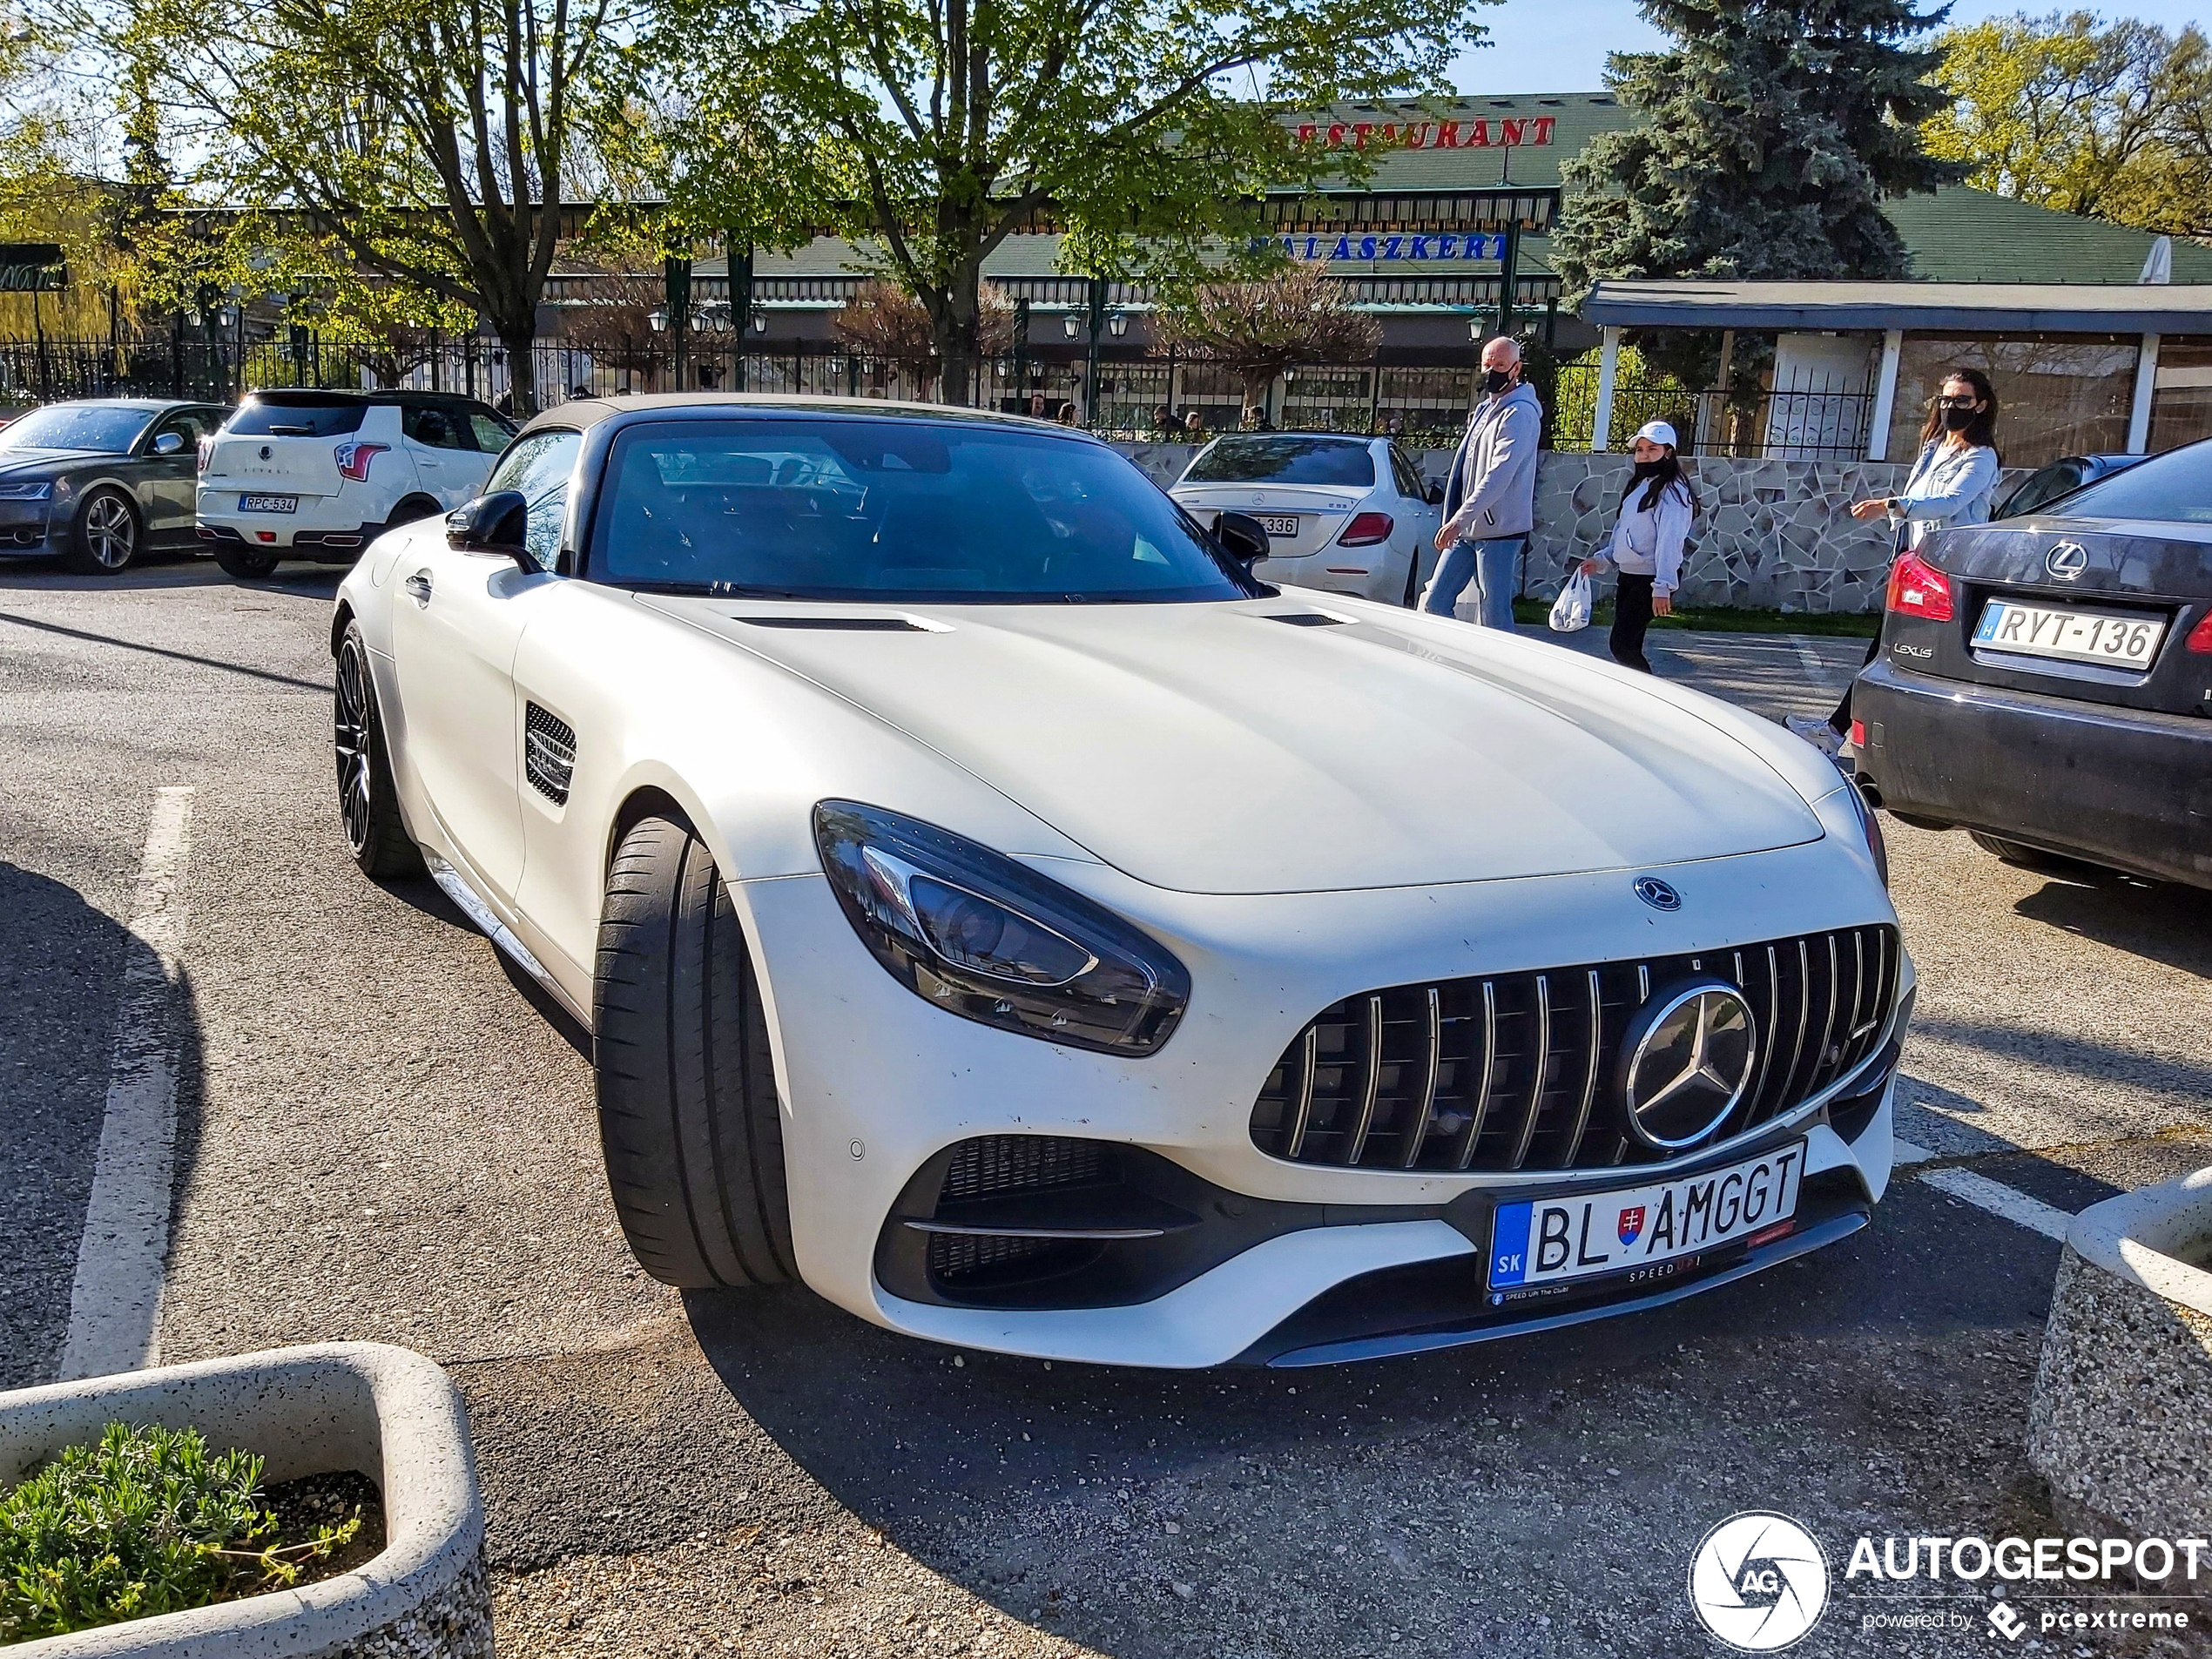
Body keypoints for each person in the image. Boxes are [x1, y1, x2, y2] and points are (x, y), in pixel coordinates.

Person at [1785, 367, 2003, 757]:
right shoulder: (1934, 449)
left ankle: (1863, 738)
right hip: (1920, 568)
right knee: (1885, 652)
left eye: (1962, 400)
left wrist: (1891, 505)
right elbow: (1920, 502)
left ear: (1981, 406)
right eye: (1946, 399)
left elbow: (1950, 502)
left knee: (1920, 658)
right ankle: (1836, 734)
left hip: (1952, 570)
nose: (1951, 407)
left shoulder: (1981, 458)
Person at [1422, 336, 1543, 630]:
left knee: (1494, 615)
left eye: (1500, 364)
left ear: (1516, 368)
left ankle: (1502, 672)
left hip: (1498, 530)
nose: (1492, 371)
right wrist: (1460, 520)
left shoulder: (1519, 414)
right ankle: (1454, 663)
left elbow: (1499, 475)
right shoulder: (1485, 410)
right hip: (1467, 528)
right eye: (1487, 364)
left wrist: (1458, 520)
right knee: (1435, 603)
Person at [1578, 421, 1694, 674]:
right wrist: (1602, 561)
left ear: (1669, 452)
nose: (1643, 456)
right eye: (1639, 450)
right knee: (1627, 645)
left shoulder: (1673, 493)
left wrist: (1663, 585)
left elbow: (1669, 541)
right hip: (1629, 577)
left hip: (1649, 580)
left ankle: (1651, 701)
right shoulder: (1640, 487)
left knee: (1622, 646)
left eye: (1652, 449)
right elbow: (1623, 532)